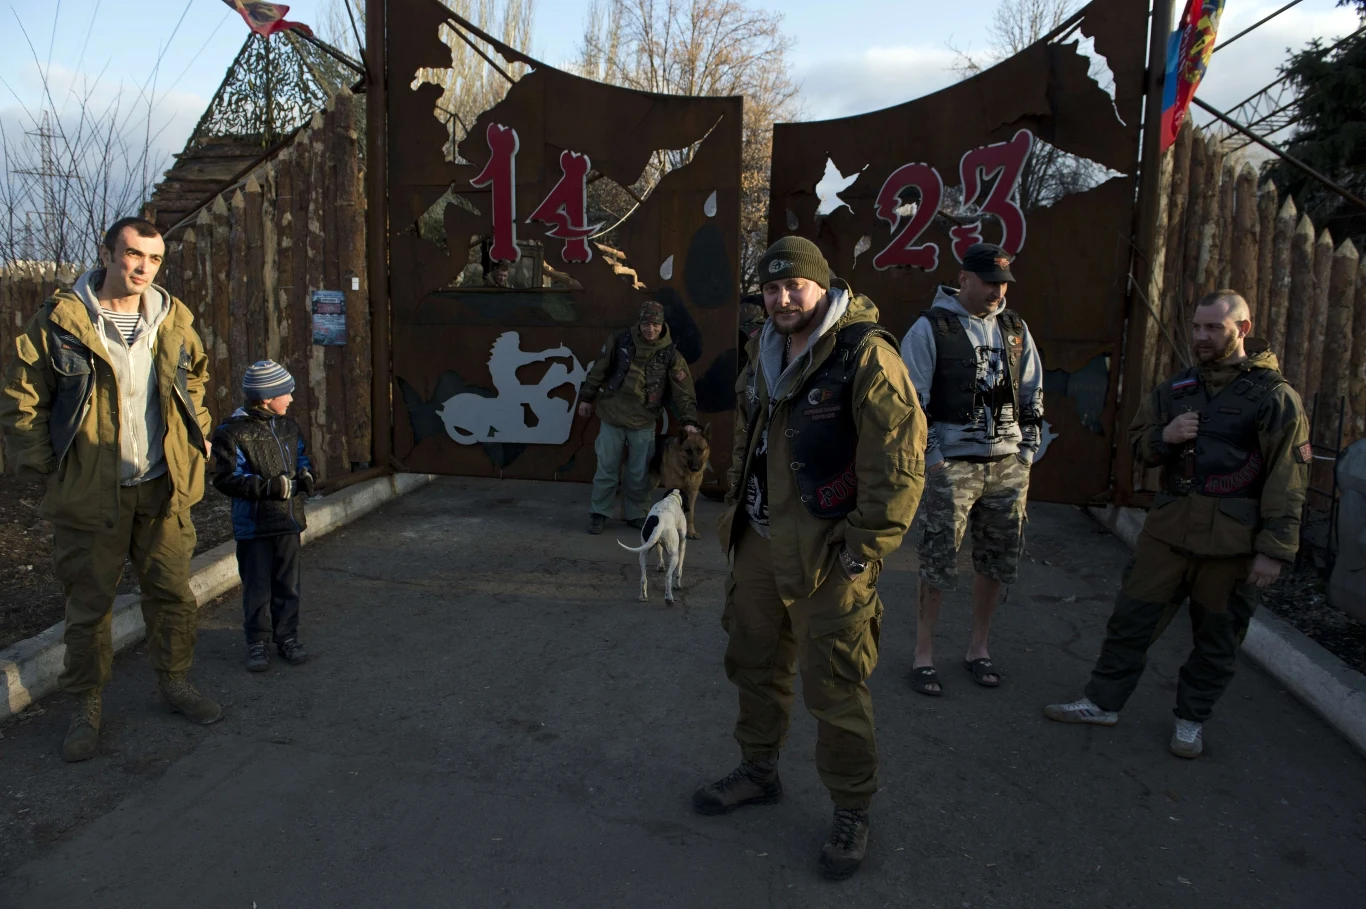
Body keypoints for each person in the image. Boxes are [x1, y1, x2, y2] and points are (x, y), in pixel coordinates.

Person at [693, 236, 926, 880]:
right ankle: (758, 770)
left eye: (795, 284)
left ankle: (852, 808)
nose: (782, 297)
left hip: (829, 554)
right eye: (771, 288)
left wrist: (865, 549)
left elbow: (899, 465)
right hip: (762, 543)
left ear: (823, 286)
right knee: (755, 663)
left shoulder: (866, 357)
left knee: (836, 685)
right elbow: (748, 443)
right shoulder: (763, 350)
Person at [1044, 290, 1310, 758]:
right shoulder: (1179, 388)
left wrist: (1274, 550)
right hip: (1168, 534)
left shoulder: (1274, 397)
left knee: (1217, 638)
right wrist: (1164, 437)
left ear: (1243, 329)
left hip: (1232, 543)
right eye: (1197, 327)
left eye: (1215, 328)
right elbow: (1139, 443)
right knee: (1131, 620)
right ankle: (1102, 702)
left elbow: (1288, 480)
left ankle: (1191, 720)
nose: (1202, 337)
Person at [0, 216, 220, 762]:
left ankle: (175, 684)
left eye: (153, 259)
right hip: (92, 493)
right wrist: (50, 470)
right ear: (106, 252)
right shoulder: (62, 322)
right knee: (88, 605)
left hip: (163, 488)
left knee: (172, 593)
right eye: (132, 255)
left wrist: (199, 438)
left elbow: (195, 381)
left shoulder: (173, 321)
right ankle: (86, 706)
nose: (143, 268)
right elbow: (21, 400)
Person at [899, 242, 1043, 695]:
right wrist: (934, 461)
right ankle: (924, 654)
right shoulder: (930, 328)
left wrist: (1026, 454)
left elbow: (1033, 391)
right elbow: (912, 402)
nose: (997, 292)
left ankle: (978, 648)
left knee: (995, 561)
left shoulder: (1015, 328)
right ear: (964, 279)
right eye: (989, 282)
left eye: (1003, 284)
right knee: (937, 559)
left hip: (1007, 466)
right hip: (953, 466)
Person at [210, 360, 315, 673]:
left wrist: (306, 474)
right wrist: (272, 487)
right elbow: (226, 478)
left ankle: (288, 637)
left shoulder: (288, 427)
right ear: (267, 397)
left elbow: (301, 455)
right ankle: (257, 641)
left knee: (288, 584)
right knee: (257, 587)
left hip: (288, 522)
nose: (292, 399)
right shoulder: (232, 432)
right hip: (254, 526)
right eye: (287, 393)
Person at [577, 300, 700, 534]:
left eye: (655, 324)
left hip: (644, 419)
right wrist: (587, 398)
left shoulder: (670, 354)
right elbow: (599, 370)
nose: (650, 329)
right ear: (639, 322)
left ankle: (636, 514)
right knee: (607, 469)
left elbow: (684, 391)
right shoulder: (620, 340)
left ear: (662, 324)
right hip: (613, 414)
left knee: (639, 472)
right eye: (646, 323)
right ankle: (599, 513)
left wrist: (689, 422)